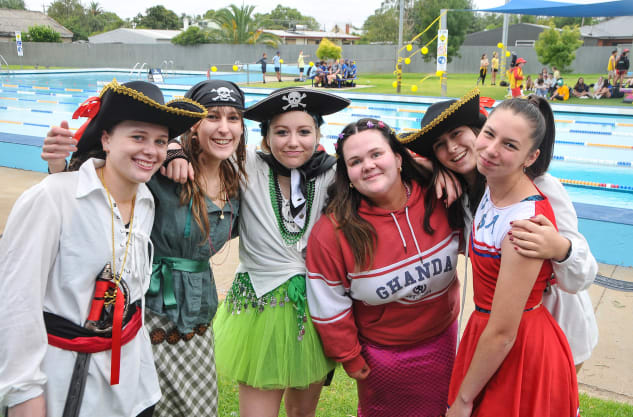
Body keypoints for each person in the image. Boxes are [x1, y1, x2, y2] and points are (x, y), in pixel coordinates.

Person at [40, 80, 248, 417]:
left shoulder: (238, 180)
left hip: (197, 320)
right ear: (194, 127)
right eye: (212, 116)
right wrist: (56, 167)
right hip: (146, 317)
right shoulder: (160, 170)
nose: (224, 127)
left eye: (234, 118)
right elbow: (97, 181)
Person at [0, 80, 206, 417]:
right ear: (107, 139)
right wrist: (24, 393)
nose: (150, 151)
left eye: (160, 141)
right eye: (137, 137)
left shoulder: (146, 201)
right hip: (63, 386)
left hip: (132, 388)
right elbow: (15, 302)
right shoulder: (52, 198)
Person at [399, 89, 598, 375]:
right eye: (440, 146)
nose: (452, 148)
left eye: (457, 134)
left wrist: (562, 248)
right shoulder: (456, 196)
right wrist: (431, 168)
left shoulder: (537, 186)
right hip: (500, 330)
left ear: (479, 132)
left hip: (554, 324)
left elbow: (583, 275)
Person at [305, 118, 462, 416]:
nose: (368, 165)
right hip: (383, 358)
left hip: (444, 342)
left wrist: (441, 170)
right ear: (348, 174)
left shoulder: (440, 197)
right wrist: (349, 356)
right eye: (355, 161)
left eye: (377, 154)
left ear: (398, 158)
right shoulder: (333, 231)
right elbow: (327, 302)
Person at [212, 87, 351, 417]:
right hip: (259, 309)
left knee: (302, 414)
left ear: (318, 134)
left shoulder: (335, 173)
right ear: (265, 138)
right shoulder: (245, 165)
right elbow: (201, 148)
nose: (293, 142)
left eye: (304, 132)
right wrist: (174, 150)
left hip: (314, 311)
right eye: (281, 132)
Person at [446, 95, 579, 416]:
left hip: (514, 346)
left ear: (530, 157)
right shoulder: (492, 186)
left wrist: (464, 400)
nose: (491, 150)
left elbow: (504, 331)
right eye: (489, 134)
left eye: (509, 145)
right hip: (491, 334)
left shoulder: (524, 223)